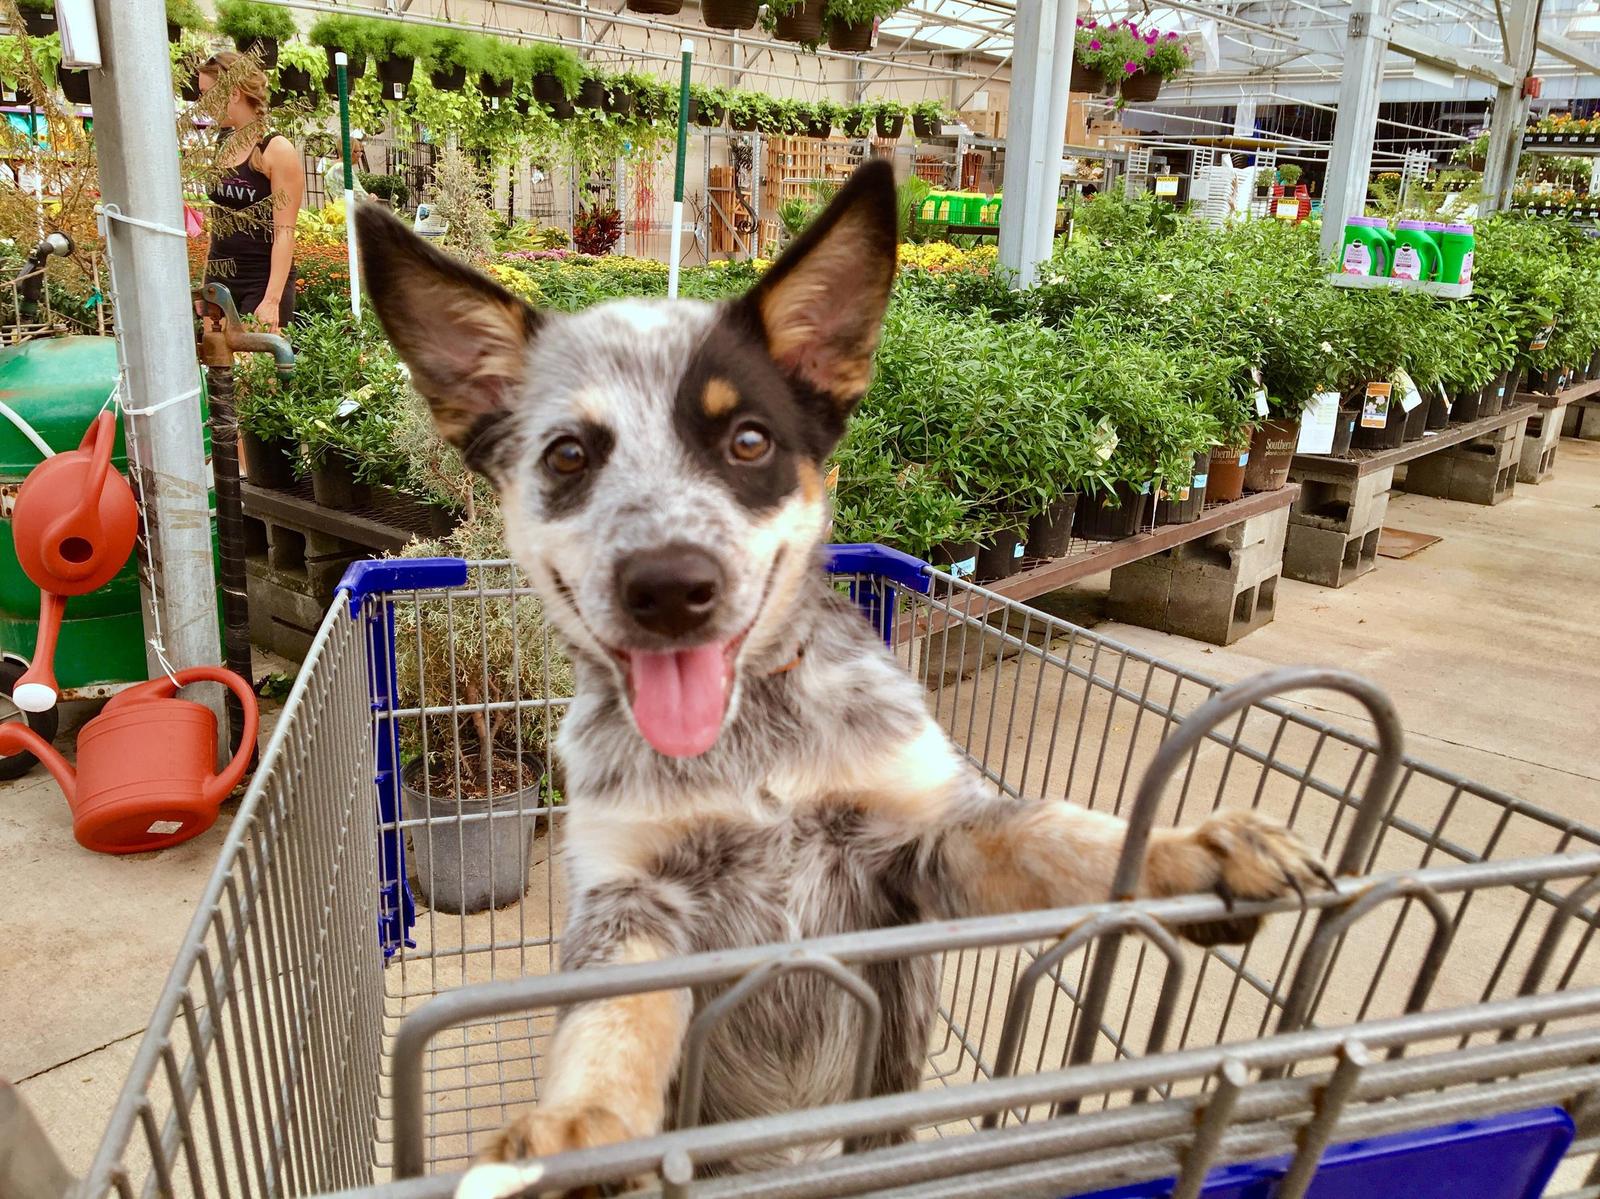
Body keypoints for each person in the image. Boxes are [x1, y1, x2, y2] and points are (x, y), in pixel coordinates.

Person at [198, 52, 304, 331]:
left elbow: (285, 232)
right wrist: (205, 284)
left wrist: (272, 300)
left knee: (253, 372)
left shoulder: (276, 150)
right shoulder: (223, 143)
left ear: (233, 93)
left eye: (206, 94)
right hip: (220, 280)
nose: (202, 104)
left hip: (261, 281)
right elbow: (218, 221)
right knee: (217, 368)